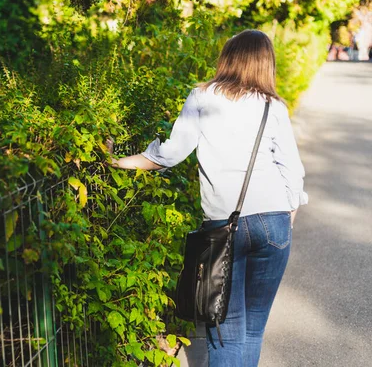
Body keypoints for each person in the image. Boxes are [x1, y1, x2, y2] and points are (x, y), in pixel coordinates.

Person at [106, 29, 308, 366]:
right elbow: (293, 172)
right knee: (253, 331)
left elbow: (169, 154)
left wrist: (117, 162)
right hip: (274, 224)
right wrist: (285, 224)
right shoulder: (273, 106)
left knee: (226, 334)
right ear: (266, 64)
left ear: (227, 57)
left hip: (223, 228)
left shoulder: (201, 97)